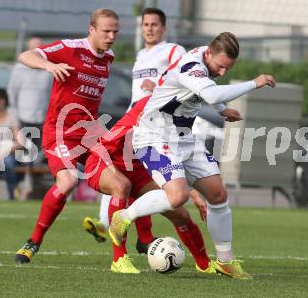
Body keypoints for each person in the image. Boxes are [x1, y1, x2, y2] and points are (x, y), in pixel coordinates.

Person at [109, 32, 276, 279]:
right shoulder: (191, 66)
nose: (222, 73)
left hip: (184, 137)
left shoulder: (206, 58)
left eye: (227, 68)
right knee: (177, 197)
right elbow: (211, 93)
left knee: (218, 194)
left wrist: (221, 110)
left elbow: (205, 92)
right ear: (209, 54)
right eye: (221, 67)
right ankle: (122, 218)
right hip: (153, 138)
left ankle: (225, 261)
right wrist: (255, 82)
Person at [14, 8, 120, 264]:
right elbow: (25, 55)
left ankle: (128, 239)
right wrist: (48, 65)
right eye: (106, 31)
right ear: (92, 29)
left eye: (115, 31)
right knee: (69, 181)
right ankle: (33, 241)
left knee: (123, 178)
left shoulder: (109, 57)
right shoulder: (70, 48)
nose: (111, 36)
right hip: (60, 132)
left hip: (89, 134)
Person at [84, 96, 228, 274]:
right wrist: (117, 176)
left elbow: (174, 166)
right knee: (122, 186)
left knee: (180, 213)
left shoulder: (177, 119)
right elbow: (105, 147)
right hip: (104, 161)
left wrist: (195, 195)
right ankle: (119, 259)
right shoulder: (144, 113)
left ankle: (204, 264)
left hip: (138, 172)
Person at [82, 7, 186, 252]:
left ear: (164, 28)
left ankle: (131, 230)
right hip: (133, 120)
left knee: (139, 177)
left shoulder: (172, 51)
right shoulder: (141, 55)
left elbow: (187, 78)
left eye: (154, 24)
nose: (149, 28)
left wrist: (159, 85)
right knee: (119, 172)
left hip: (156, 124)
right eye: (145, 24)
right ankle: (119, 227)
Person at [7, 36, 52, 157]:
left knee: (40, 155)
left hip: (43, 119)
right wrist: (15, 116)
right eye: (33, 49)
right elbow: (12, 93)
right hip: (23, 119)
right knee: (22, 153)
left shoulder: (50, 69)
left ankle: (34, 175)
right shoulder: (19, 69)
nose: (37, 52)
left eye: (39, 49)